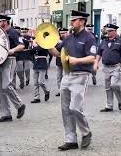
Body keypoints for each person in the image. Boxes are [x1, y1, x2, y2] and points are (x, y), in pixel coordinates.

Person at [49, 10, 96, 151]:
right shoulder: (68, 38)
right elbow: (58, 53)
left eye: (74, 20)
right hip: (67, 75)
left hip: (81, 75)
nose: (71, 22)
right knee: (65, 109)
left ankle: (86, 132)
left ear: (82, 21)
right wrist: (47, 45)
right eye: (71, 20)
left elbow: (92, 57)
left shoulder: (89, 38)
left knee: (75, 107)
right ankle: (71, 140)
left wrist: (76, 60)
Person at [0, 14, 26, 123]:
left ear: (6, 22)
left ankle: (20, 105)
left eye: (0, 22)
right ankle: (6, 114)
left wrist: (12, 50)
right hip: (1, 61)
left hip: (10, 60)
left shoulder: (13, 32)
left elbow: (22, 46)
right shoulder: (0, 33)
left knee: (6, 85)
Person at [95, 24, 121, 112]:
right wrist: (96, 64)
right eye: (107, 31)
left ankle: (120, 99)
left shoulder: (120, 41)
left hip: (116, 67)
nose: (108, 32)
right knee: (108, 87)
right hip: (106, 67)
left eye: (110, 31)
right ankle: (109, 106)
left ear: (115, 31)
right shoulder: (103, 41)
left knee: (114, 84)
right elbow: (99, 54)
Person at [55, 28, 68, 97]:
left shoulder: (70, 39)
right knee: (59, 77)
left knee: (67, 76)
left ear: (67, 33)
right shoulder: (56, 41)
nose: (62, 34)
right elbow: (55, 49)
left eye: (64, 33)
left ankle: (66, 90)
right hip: (59, 61)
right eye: (61, 33)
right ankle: (60, 90)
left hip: (67, 61)